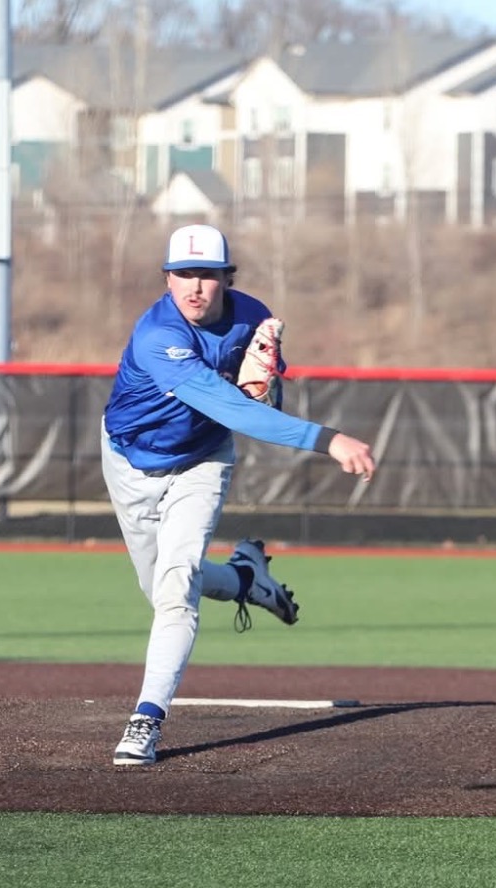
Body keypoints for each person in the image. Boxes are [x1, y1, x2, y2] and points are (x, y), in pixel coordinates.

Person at [101, 223, 377, 766]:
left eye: (208, 274)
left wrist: (268, 377)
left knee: (177, 590)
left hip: (202, 460)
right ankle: (247, 578)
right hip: (130, 461)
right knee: (160, 588)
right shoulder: (159, 336)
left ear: (227, 278)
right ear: (168, 278)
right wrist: (327, 439)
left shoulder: (252, 314)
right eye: (184, 274)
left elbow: (259, 387)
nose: (195, 287)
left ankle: (146, 721)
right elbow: (232, 407)